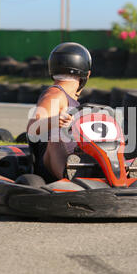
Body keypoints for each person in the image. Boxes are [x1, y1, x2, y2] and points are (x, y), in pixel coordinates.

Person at [27, 42, 92, 182]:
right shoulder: (55, 95)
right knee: (56, 138)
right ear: (86, 74)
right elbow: (32, 127)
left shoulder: (71, 99)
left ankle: (120, 171)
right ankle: (72, 174)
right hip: (50, 161)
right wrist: (54, 121)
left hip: (75, 153)